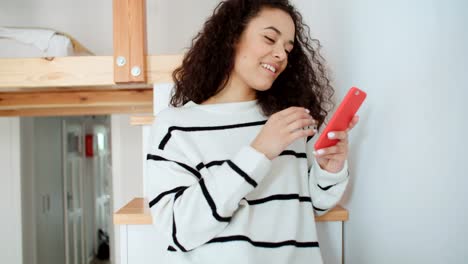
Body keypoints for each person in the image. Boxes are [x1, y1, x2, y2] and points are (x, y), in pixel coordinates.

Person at [146, 0, 359, 263]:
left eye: (287, 48)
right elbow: (177, 230)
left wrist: (329, 170)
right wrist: (258, 152)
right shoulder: (175, 126)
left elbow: (313, 205)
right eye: (270, 38)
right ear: (233, 36)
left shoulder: (287, 120)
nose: (281, 54)